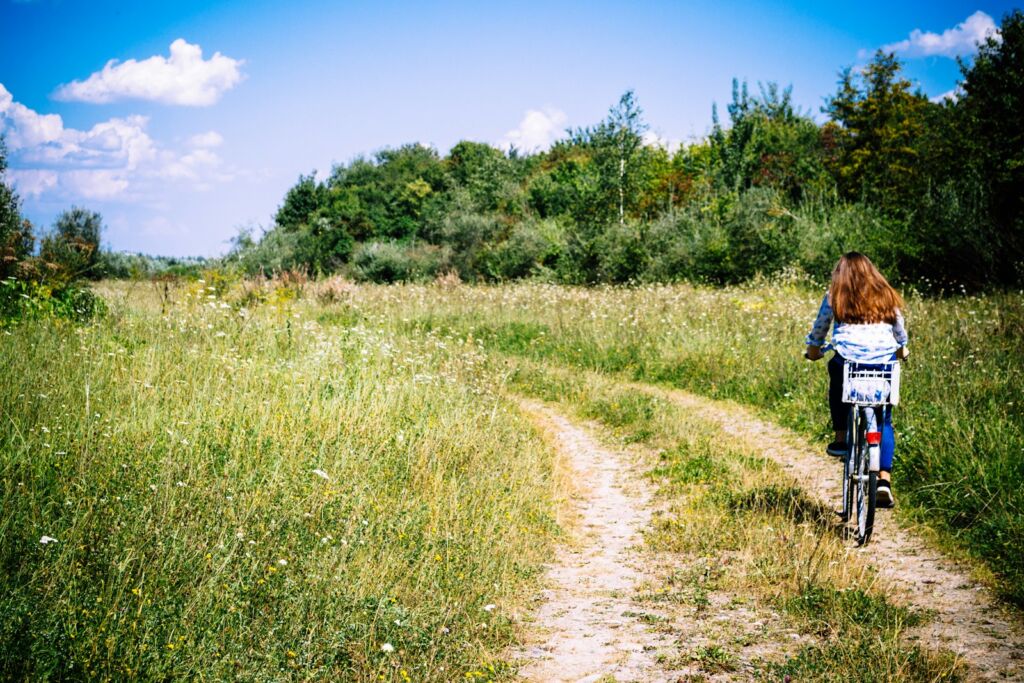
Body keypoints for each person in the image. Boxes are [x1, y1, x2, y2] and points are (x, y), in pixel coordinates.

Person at [805, 252, 909, 508]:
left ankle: (841, 438)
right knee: (883, 417)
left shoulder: (835, 296)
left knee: (836, 375)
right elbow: (899, 331)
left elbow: (820, 329)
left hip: (849, 362)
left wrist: (813, 350)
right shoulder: (886, 295)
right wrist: (902, 348)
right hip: (883, 364)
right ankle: (884, 479)